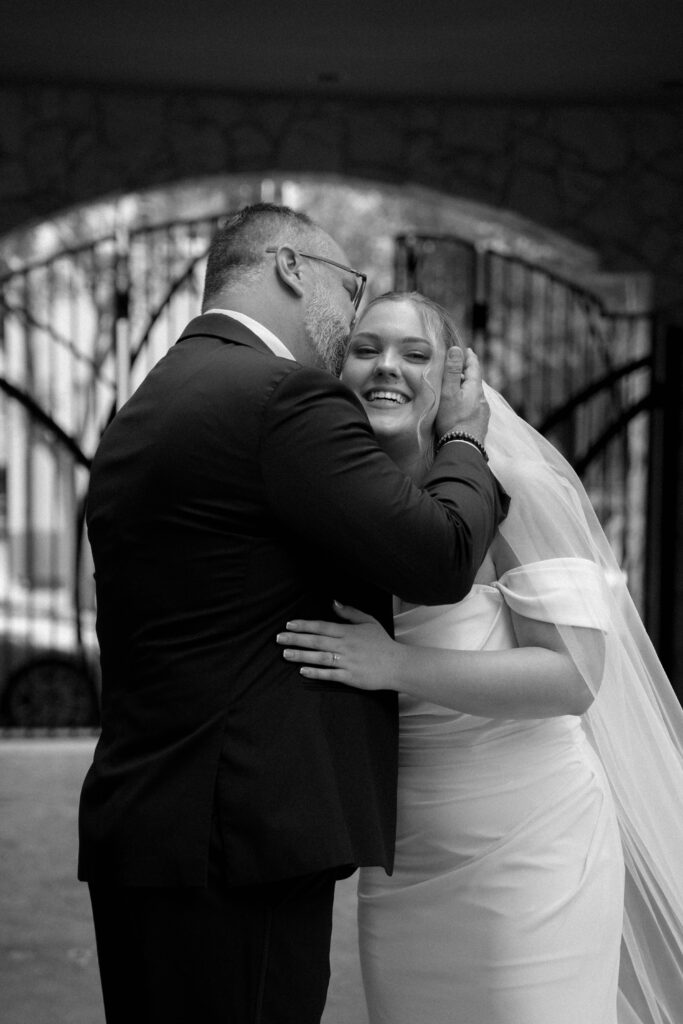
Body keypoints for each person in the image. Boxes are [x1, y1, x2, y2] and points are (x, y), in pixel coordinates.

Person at [78, 208, 509, 1024]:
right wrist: (465, 443)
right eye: (348, 288)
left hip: (150, 824)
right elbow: (440, 555)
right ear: (286, 268)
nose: (352, 315)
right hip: (239, 843)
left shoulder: (154, 397)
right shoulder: (280, 397)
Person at [278, 292, 683, 1024]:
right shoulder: (333, 500)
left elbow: (572, 677)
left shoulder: (511, 489)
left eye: (414, 353)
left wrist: (393, 665)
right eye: (365, 350)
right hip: (403, 860)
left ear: (455, 378)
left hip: (530, 841)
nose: (385, 369)